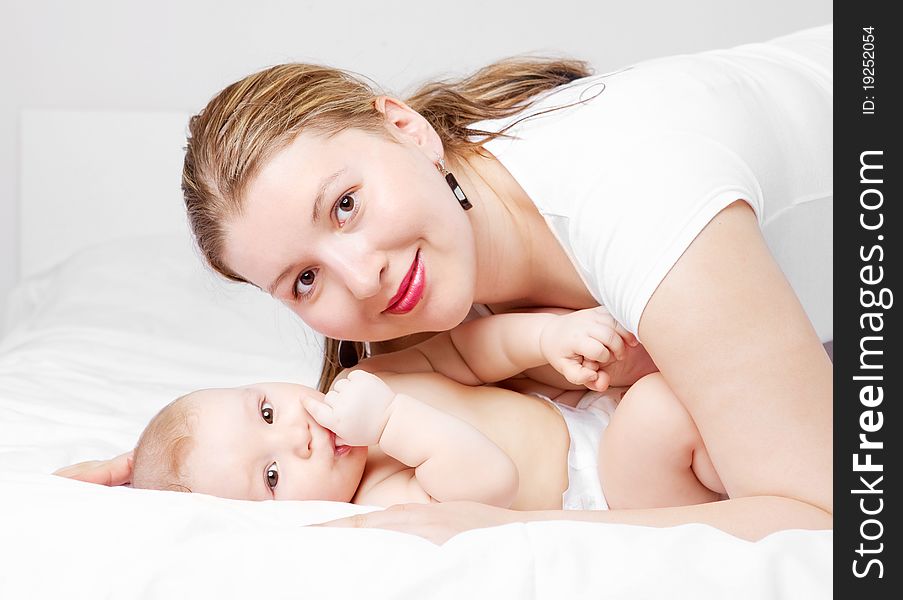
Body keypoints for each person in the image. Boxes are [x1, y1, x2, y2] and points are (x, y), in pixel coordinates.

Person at [59, 25, 833, 542]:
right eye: (302, 280)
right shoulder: (442, 284)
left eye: (346, 204)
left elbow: (828, 520)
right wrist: (160, 489)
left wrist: (482, 530)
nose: (361, 279)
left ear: (406, 128)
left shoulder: (637, 200)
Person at [124, 307, 725, 512]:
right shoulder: (379, 501)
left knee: (689, 361)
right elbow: (492, 481)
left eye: (265, 413)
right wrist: (389, 423)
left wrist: (544, 339)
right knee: (663, 409)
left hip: (588, 416)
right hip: (607, 488)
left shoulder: (365, 376)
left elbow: (465, 352)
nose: (298, 435)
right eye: (273, 476)